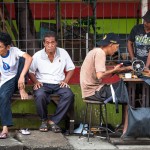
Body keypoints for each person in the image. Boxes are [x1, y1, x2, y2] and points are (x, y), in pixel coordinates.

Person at [80, 33, 132, 137]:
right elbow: (100, 76)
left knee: (124, 91)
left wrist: (119, 70)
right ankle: (126, 132)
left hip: (91, 90)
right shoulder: (100, 53)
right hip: (94, 92)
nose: (116, 50)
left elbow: (99, 74)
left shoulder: (95, 51)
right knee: (127, 93)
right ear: (110, 45)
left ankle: (123, 127)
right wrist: (116, 70)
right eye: (116, 47)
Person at [29, 31, 75, 133]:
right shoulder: (37, 55)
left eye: (52, 42)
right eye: (47, 42)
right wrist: (36, 81)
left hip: (59, 84)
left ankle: (53, 121)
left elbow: (71, 68)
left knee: (69, 95)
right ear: (44, 43)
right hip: (43, 84)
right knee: (40, 95)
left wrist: (65, 80)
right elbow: (31, 71)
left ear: (56, 43)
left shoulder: (63, 53)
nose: (50, 45)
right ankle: (43, 120)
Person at [0, 32, 32, 139]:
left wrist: (22, 76)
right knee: (3, 96)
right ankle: (5, 128)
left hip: (17, 78)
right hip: (5, 82)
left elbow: (29, 58)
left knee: (23, 59)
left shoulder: (14, 51)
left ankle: (21, 89)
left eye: (0, 47)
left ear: (8, 47)